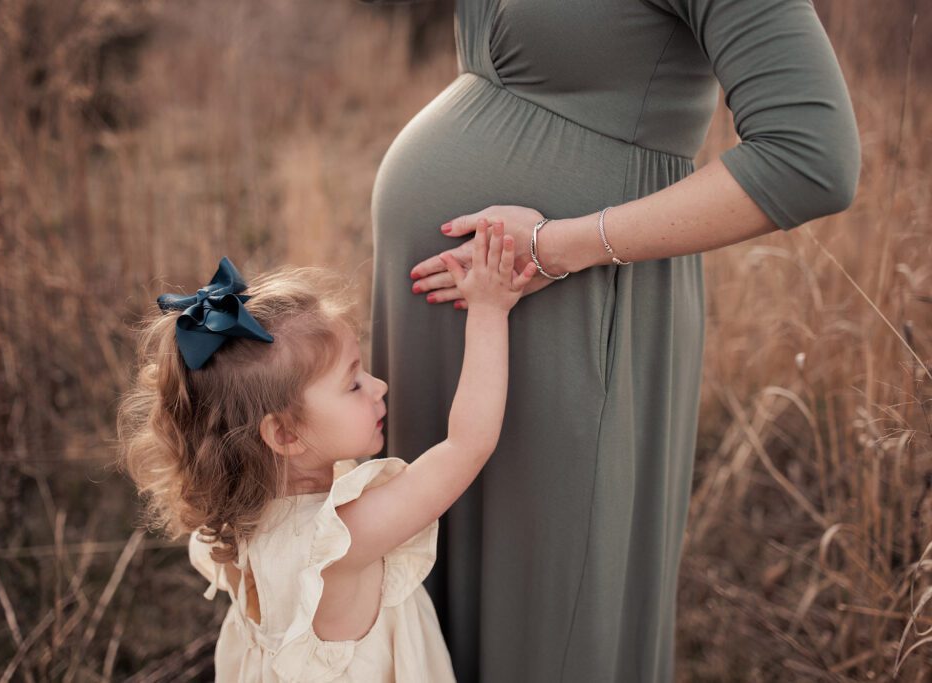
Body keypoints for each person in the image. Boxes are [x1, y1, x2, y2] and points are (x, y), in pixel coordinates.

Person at [361, 0, 862, 681]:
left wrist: (556, 247)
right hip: (455, 315)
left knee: (547, 616)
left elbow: (812, 156)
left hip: (570, 305)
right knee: (420, 585)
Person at [115, 237, 538, 681]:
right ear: (284, 433)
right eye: (353, 384)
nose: (379, 387)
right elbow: (467, 445)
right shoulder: (339, 539)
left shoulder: (236, 520)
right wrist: (490, 310)